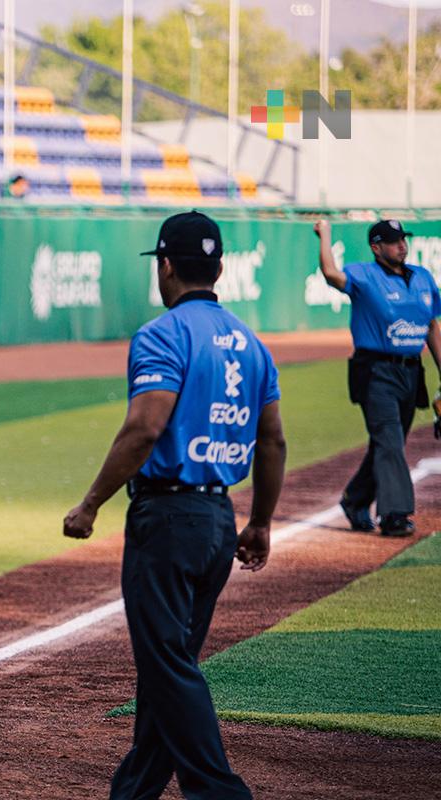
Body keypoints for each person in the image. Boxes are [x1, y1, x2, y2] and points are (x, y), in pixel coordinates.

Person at [63, 211, 286, 800]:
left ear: (165, 266)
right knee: (169, 669)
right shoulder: (252, 343)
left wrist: (90, 504)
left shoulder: (163, 334)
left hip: (166, 521)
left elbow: (144, 428)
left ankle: (220, 793)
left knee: (166, 666)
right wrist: (260, 521)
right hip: (218, 520)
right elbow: (274, 440)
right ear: (219, 267)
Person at [314, 218, 441, 537]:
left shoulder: (423, 278)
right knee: (389, 439)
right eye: (394, 241)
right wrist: (325, 234)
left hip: (411, 372)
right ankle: (395, 514)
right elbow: (331, 274)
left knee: (389, 442)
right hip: (374, 371)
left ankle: (355, 500)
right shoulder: (364, 275)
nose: (402, 245)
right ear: (376, 247)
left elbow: (431, 327)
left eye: (403, 240)